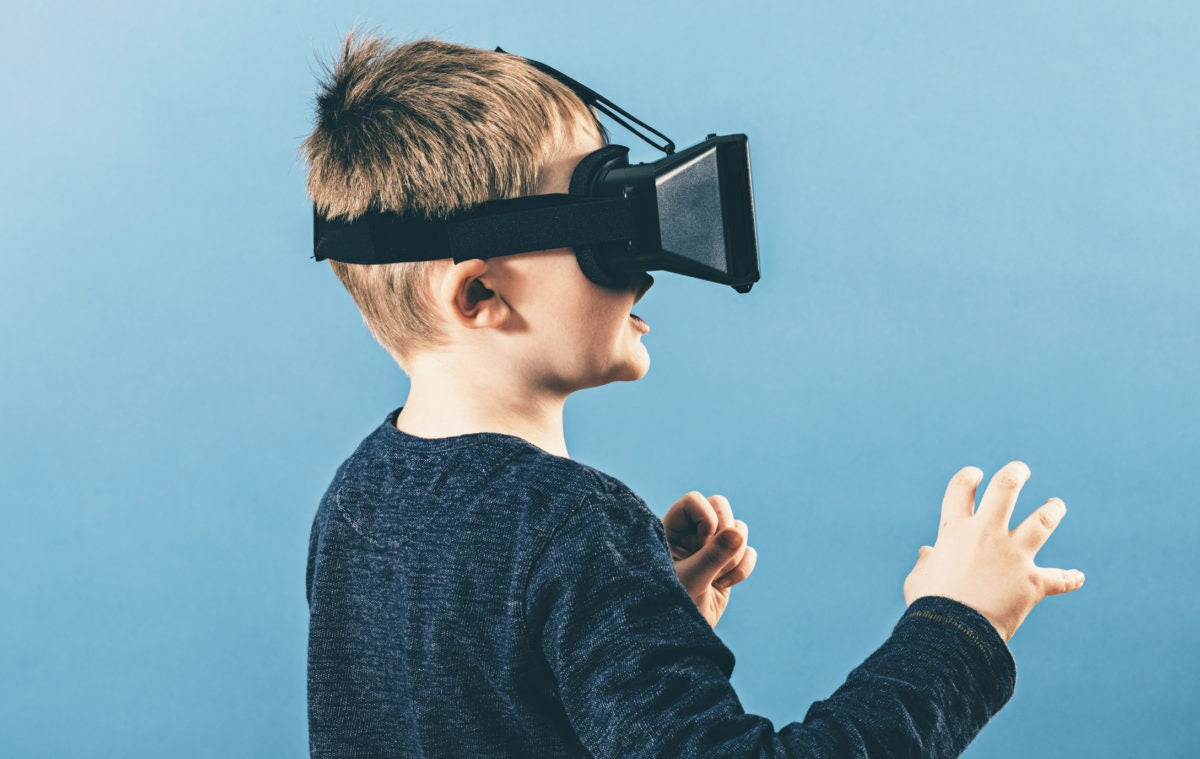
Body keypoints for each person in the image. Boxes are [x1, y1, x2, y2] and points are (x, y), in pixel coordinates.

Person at [302, 29, 1086, 758]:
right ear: (480, 293)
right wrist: (960, 623)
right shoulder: (577, 529)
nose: (647, 269)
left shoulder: (356, 500)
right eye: (609, 230)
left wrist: (618, 630)